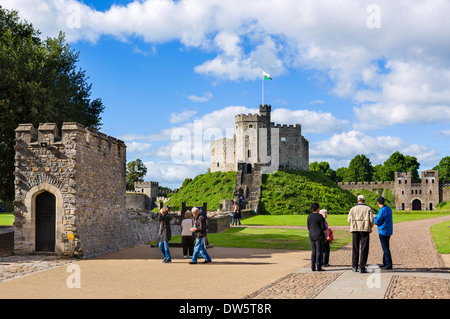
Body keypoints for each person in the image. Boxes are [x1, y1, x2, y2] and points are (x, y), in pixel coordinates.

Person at [347, 195, 374, 273]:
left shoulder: (352, 209)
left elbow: (349, 219)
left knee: (355, 248)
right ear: (364, 200)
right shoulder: (368, 208)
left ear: (357, 200)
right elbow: (371, 220)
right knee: (364, 248)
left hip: (355, 229)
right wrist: (370, 226)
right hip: (365, 229)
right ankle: (362, 267)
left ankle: (354, 266)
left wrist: (353, 225)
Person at [374, 196, 393, 270]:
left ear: (378, 202)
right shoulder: (388, 208)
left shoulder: (382, 211)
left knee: (385, 248)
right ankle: (385, 263)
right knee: (386, 247)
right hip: (388, 230)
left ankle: (388, 264)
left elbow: (377, 222)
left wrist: (374, 217)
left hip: (383, 231)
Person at [307, 203, 327, 271]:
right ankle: (318, 267)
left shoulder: (309, 216)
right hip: (318, 235)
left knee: (313, 250)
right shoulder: (319, 216)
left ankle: (313, 266)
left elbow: (308, 227)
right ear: (318, 209)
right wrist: (325, 235)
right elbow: (323, 227)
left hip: (311, 235)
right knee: (318, 251)